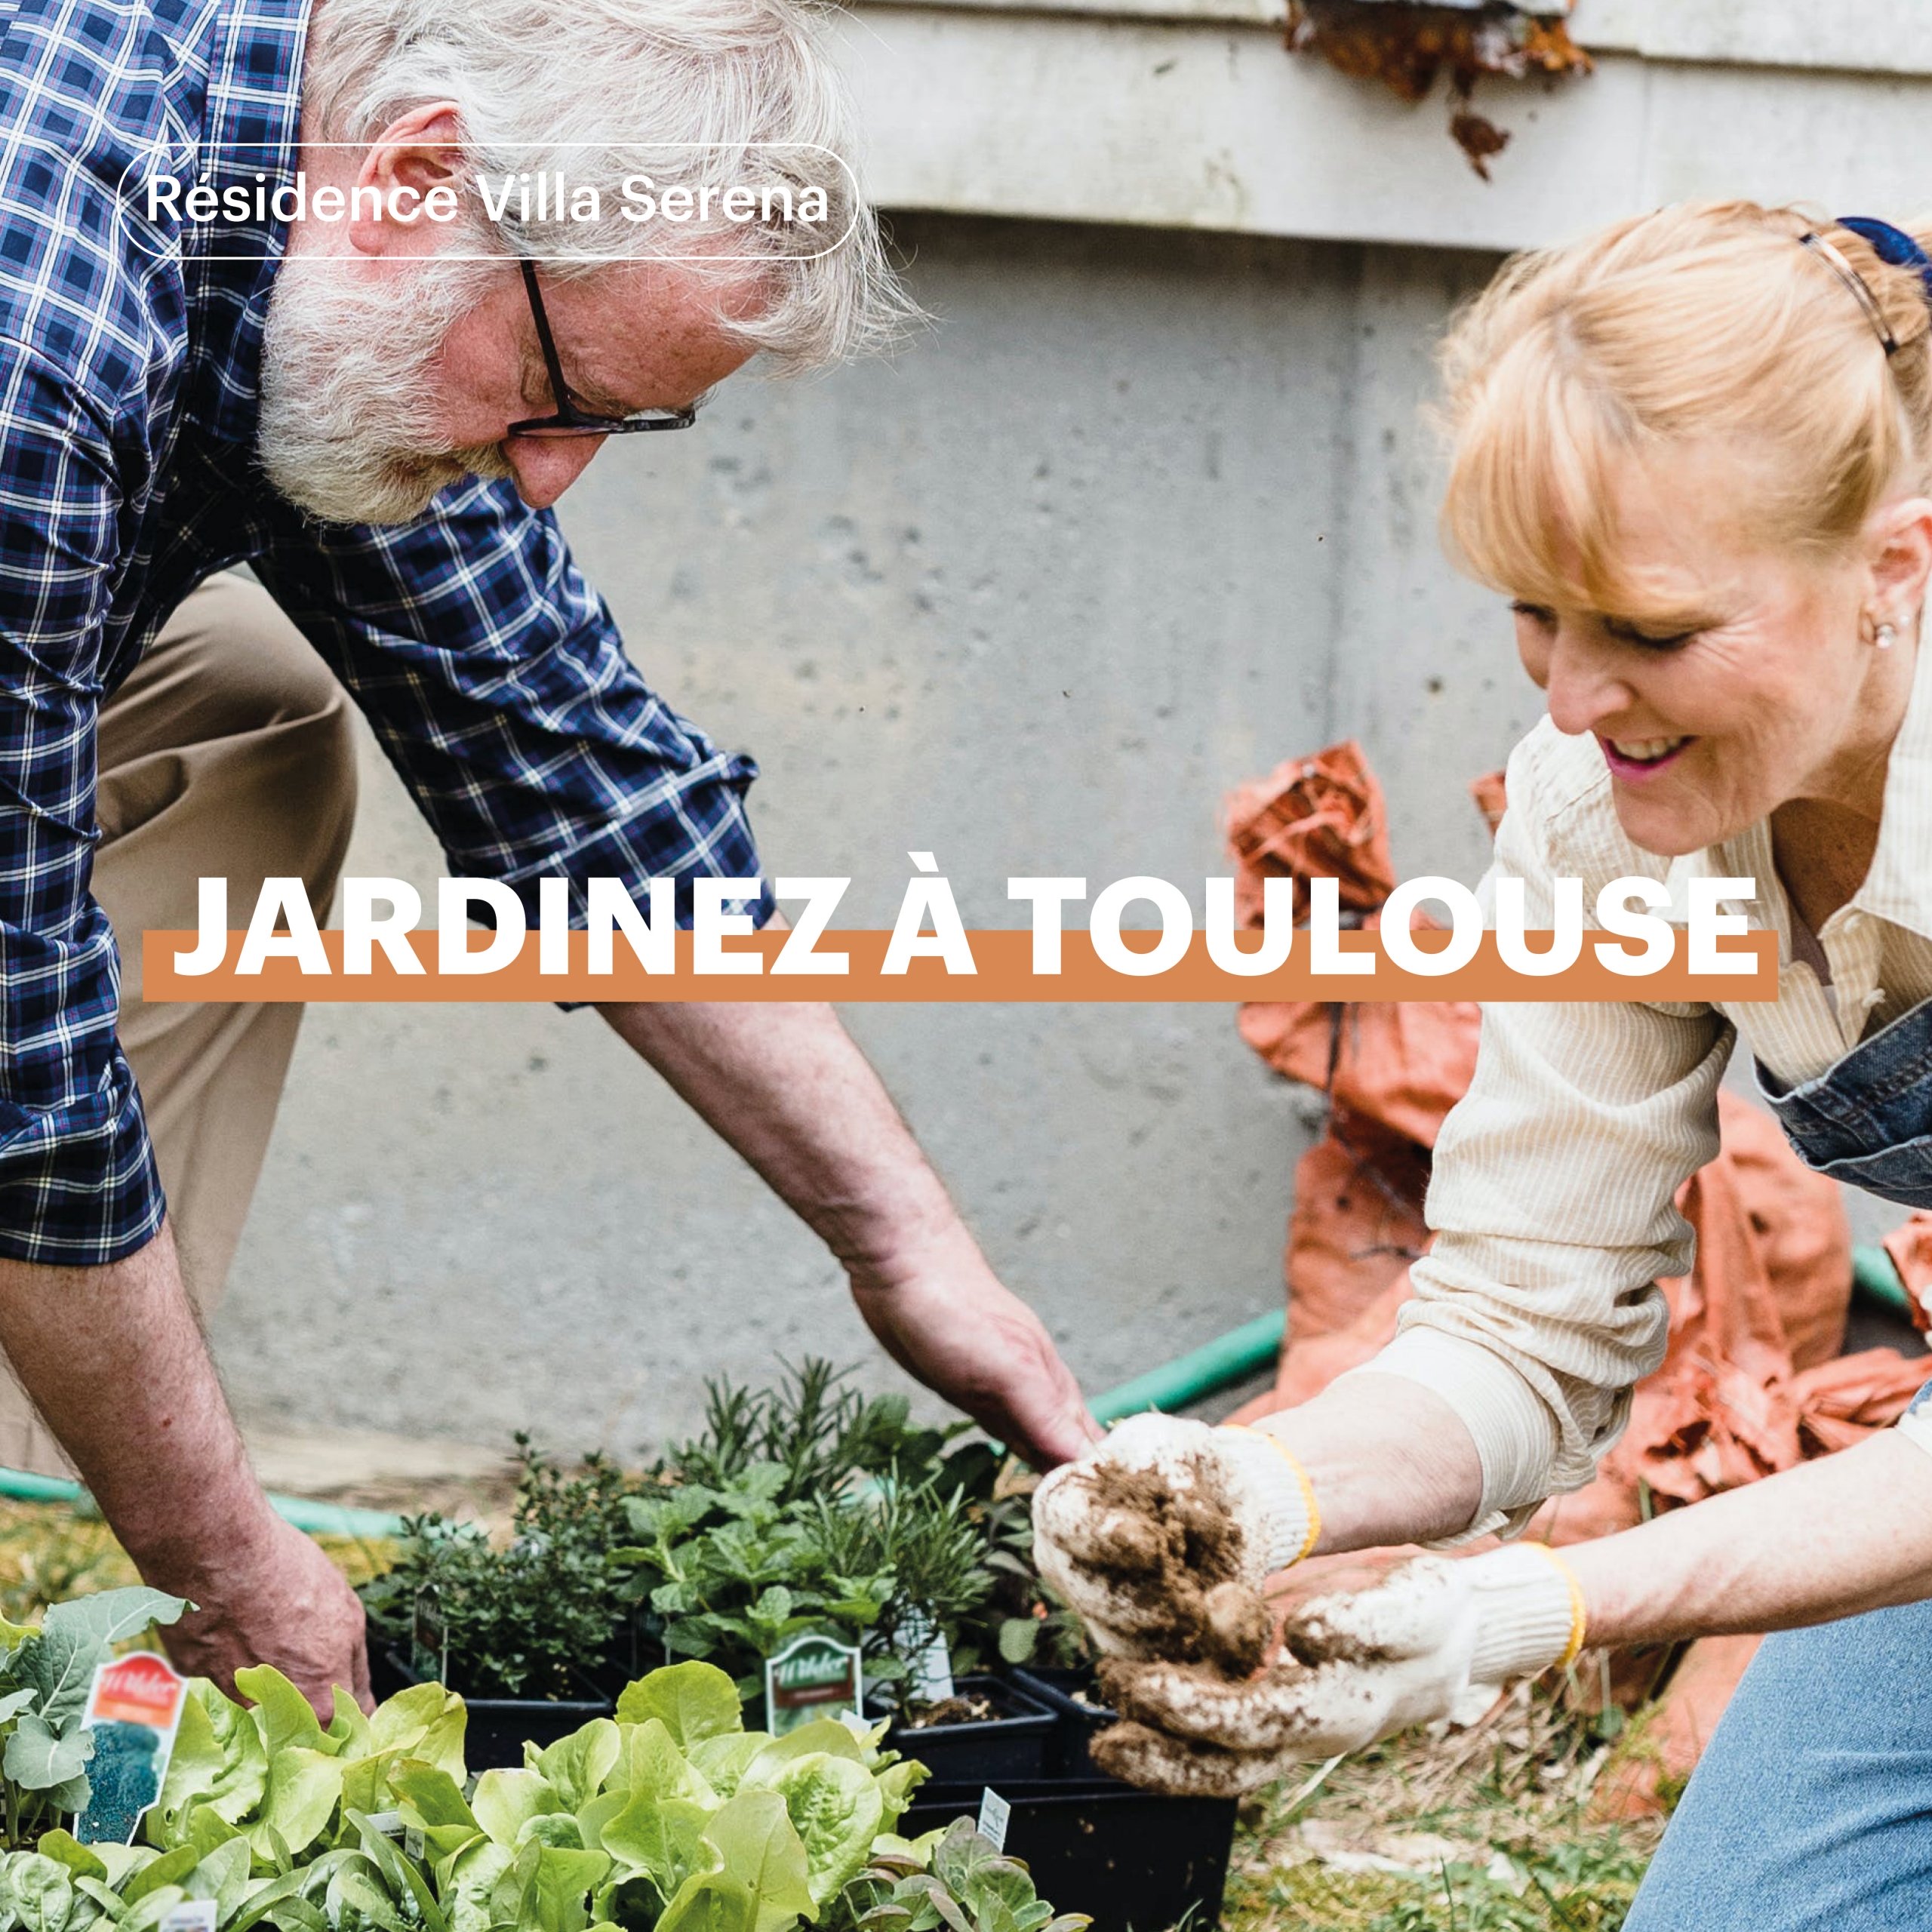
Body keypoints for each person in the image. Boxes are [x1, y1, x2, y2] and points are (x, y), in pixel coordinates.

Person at [0, 0, 1095, 1715]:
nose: (553, 476)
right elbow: (21, 1060)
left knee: (248, 714)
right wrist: (221, 1557)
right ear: (420, 175)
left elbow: (566, 770)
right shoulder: (40, 325)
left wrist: (911, 1251)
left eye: (613, 428)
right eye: (554, 397)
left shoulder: (325, 216)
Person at [1032, 200, 1932, 1926]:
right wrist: (1257, 1483)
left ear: (1889, 569)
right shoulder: (1606, 821)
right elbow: (1520, 1321)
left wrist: (1529, 1607)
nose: (1580, 701)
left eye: (1653, 631)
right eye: (1539, 613)